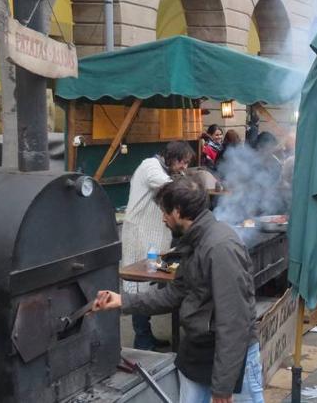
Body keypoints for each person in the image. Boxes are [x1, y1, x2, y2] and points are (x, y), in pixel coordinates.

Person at [93, 177, 263, 403]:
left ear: (178, 211)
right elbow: (175, 293)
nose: (162, 217)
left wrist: (223, 386)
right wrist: (123, 300)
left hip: (232, 359)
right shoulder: (195, 241)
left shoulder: (220, 247)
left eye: (164, 211)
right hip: (197, 351)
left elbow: (234, 323)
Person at [121, 141, 194, 350]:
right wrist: (195, 188)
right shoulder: (150, 166)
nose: (184, 168)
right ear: (172, 157)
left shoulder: (165, 169)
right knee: (139, 286)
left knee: (152, 284)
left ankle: (147, 335)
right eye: (183, 162)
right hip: (139, 235)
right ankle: (141, 339)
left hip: (154, 237)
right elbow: (169, 187)